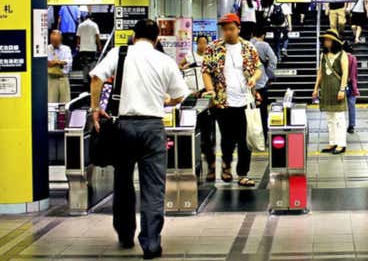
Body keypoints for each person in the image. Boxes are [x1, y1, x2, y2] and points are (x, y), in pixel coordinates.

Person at [89, 19, 189, 260]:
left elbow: (96, 78)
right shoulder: (164, 60)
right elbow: (180, 96)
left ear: (134, 36)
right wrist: (163, 101)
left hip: (123, 126)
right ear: (156, 40)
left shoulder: (120, 52)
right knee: (153, 188)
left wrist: (95, 109)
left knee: (123, 183)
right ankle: (151, 244)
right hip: (153, 128)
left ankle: (125, 235)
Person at [201, 13, 263, 187]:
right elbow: (206, 70)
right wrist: (210, 90)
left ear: (238, 29)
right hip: (223, 102)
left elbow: (258, 68)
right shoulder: (214, 47)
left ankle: (243, 173)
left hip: (245, 101)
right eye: (224, 29)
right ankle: (226, 167)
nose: (227, 32)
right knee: (227, 139)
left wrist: (254, 79)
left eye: (231, 29)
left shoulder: (249, 47)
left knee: (245, 140)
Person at [181, 35, 216, 180]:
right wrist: (186, 67)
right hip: (191, 99)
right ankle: (195, 165)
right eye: (200, 43)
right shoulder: (190, 56)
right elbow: (179, 67)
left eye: (204, 43)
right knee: (193, 133)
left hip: (205, 100)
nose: (202, 45)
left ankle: (211, 165)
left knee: (207, 135)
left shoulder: (210, 57)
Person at [313, 29, 349, 154]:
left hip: (337, 89)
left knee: (339, 118)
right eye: (325, 39)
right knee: (330, 118)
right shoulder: (323, 55)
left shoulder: (342, 54)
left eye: (328, 39)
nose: (326, 41)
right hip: (326, 89)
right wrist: (316, 88)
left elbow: (345, 73)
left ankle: (341, 144)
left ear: (334, 41)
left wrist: (342, 89)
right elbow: (320, 72)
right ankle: (332, 142)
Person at [251, 26, 277, 140]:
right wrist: (269, 74)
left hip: (249, 85)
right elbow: (273, 59)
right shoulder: (264, 45)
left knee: (250, 112)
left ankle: (251, 137)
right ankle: (264, 137)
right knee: (262, 113)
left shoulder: (247, 45)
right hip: (261, 84)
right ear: (263, 35)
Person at [47, 29, 72, 104]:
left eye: (56, 41)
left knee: (64, 103)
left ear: (60, 39)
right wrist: (57, 62)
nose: (53, 43)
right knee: (51, 103)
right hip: (51, 79)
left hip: (63, 78)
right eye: (52, 41)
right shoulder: (47, 48)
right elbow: (47, 63)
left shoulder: (66, 49)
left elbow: (68, 62)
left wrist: (58, 62)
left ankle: (63, 116)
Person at [76, 14, 101, 84]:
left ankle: (85, 80)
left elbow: (78, 37)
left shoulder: (80, 25)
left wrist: (78, 46)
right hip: (92, 48)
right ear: (92, 18)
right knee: (92, 64)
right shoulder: (94, 25)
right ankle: (91, 79)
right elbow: (97, 36)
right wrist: (99, 46)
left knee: (84, 65)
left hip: (83, 49)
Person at [342, 40, 360, 134]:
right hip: (351, 85)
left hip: (341, 85)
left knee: (339, 106)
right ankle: (351, 126)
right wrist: (355, 87)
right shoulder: (353, 58)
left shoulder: (340, 57)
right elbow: (354, 75)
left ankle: (339, 125)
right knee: (351, 106)